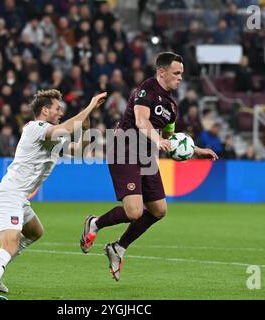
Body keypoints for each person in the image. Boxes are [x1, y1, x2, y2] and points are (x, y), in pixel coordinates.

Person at [80, 52, 218, 281]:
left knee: (159, 210)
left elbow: (171, 138)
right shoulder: (146, 90)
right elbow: (141, 120)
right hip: (125, 149)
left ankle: (119, 248)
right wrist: (157, 140)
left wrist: (196, 150)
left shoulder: (172, 105)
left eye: (182, 74)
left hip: (145, 155)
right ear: (162, 72)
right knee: (134, 212)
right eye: (176, 73)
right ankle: (94, 223)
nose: (180, 78)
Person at [0, 89, 107, 300]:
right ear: (45, 111)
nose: (60, 111)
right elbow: (66, 128)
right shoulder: (35, 128)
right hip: (9, 195)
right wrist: (89, 106)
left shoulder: (52, 137)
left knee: (35, 231)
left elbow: (80, 151)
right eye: (57, 108)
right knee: (9, 244)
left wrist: (87, 125)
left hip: (19, 198)